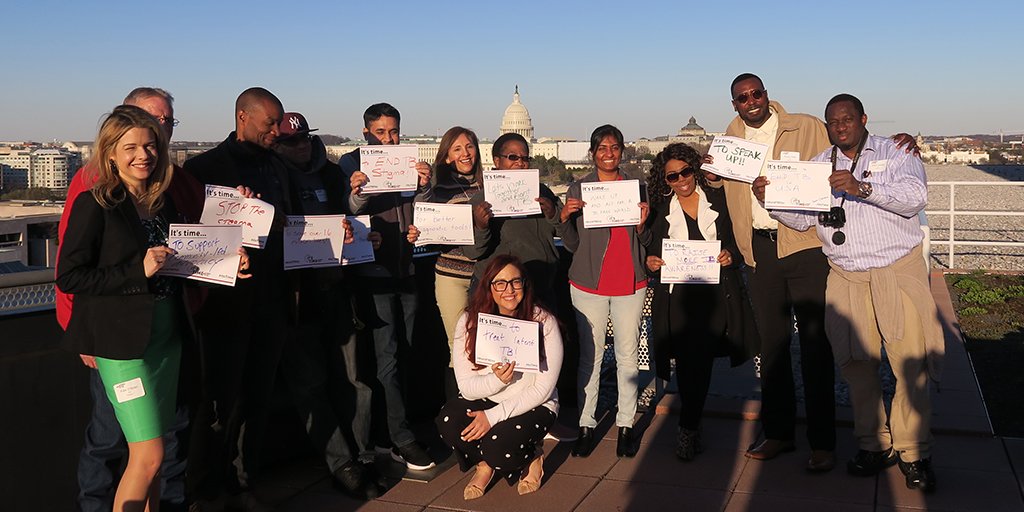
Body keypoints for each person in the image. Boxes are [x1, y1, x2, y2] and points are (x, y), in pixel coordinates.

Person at [57, 105, 247, 511]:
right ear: (109, 153)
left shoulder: (162, 203)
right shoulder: (96, 204)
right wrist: (136, 271)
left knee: (159, 454)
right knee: (148, 457)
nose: (143, 155)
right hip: (123, 347)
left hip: (167, 339)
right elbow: (71, 277)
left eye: (150, 146)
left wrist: (231, 259)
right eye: (130, 148)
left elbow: (182, 259)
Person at [756, 93, 943, 492]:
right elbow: (802, 218)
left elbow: (915, 199)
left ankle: (914, 452)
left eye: (847, 119)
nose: (840, 126)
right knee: (856, 365)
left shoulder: (896, 151)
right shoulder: (820, 165)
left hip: (896, 270)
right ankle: (874, 445)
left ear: (863, 118)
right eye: (833, 121)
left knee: (910, 363)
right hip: (845, 274)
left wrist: (862, 188)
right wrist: (770, 200)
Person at [703, 73, 839, 471]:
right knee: (773, 347)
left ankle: (822, 441)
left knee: (816, 345)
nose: (751, 101)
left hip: (805, 245)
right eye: (742, 97)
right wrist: (712, 179)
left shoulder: (806, 126)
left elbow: (847, 155)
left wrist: (895, 143)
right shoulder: (728, 140)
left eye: (756, 93)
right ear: (735, 104)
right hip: (759, 252)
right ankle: (779, 432)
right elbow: (721, 190)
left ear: (767, 94)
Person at [183, 87, 289, 509]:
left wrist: (271, 217)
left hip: (272, 299)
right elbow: (187, 235)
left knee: (259, 398)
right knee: (219, 402)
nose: (277, 131)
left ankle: (244, 481)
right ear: (243, 117)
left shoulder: (278, 167)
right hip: (222, 305)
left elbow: (288, 222)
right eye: (270, 123)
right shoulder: (201, 167)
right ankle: (206, 488)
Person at [273, 111, 383, 499]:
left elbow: (351, 216)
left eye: (304, 139)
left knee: (355, 381)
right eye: (290, 142)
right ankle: (342, 463)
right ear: (277, 144)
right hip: (297, 298)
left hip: (338, 289)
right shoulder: (273, 179)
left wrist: (362, 235)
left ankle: (364, 453)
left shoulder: (331, 172)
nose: (300, 147)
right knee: (310, 385)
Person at [643, 143, 758, 461]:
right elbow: (647, 250)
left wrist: (731, 255)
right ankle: (689, 425)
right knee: (691, 362)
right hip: (678, 298)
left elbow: (739, 238)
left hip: (716, 296)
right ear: (663, 180)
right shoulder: (659, 210)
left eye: (686, 171)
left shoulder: (719, 200)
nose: (681, 180)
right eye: (672, 176)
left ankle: (687, 427)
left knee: (699, 362)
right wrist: (650, 262)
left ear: (695, 169)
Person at [342, 103, 436, 470]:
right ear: (366, 131)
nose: (388, 138)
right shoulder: (351, 162)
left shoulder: (406, 160)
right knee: (387, 357)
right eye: (380, 132)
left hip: (406, 267)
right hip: (374, 272)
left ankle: (392, 430)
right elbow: (347, 208)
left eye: (393, 131)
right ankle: (399, 436)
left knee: (407, 351)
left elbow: (419, 206)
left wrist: (424, 189)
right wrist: (359, 193)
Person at [434, 254, 562, 500]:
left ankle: (532, 456)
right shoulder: (469, 321)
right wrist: (498, 380)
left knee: (497, 446)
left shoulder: (543, 321)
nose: (509, 290)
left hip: (533, 403)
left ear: (525, 284)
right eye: (500, 283)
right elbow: (468, 388)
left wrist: (492, 417)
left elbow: (543, 390)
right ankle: (484, 465)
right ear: (488, 286)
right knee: (449, 421)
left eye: (516, 281)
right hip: (488, 396)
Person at [558, 124, 650, 458]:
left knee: (627, 358)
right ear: (593, 152)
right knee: (590, 357)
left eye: (614, 147)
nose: (608, 153)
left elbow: (647, 241)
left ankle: (625, 424)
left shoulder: (637, 186)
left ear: (622, 151)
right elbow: (571, 244)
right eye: (602, 148)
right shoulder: (578, 188)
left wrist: (642, 225)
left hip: (630, 281)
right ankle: (586, 424)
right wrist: (565, 217)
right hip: (588, 283)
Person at [462, 132, 562, 311]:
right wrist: (481, 226)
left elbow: (565, 234)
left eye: (525, 158)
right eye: (513, 157)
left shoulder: (543, 193)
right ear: (496, 161)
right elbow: (472, 252)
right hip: (497, 294)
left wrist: (554, 214)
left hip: (540, 288)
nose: (520, 163)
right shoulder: (480, 202)